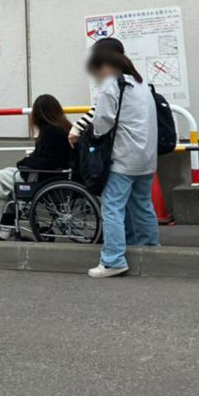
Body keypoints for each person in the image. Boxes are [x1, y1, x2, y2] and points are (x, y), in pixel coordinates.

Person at [84, 38, 159, 279]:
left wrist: (92, 135)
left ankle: (113, 260)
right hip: (147, 158)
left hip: (124, 158)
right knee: (143, 206)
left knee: (112, 208)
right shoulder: (140, 83)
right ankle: (152, 253)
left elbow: (102, 121)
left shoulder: (111, 84)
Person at [0, 94, 73, 240]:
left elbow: (49, 161)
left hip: (41, 178)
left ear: (39, 114)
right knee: (8, 180)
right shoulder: (64, 128)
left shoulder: (50, 132)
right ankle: (5, 224)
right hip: (55, 176)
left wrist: (24, 163)